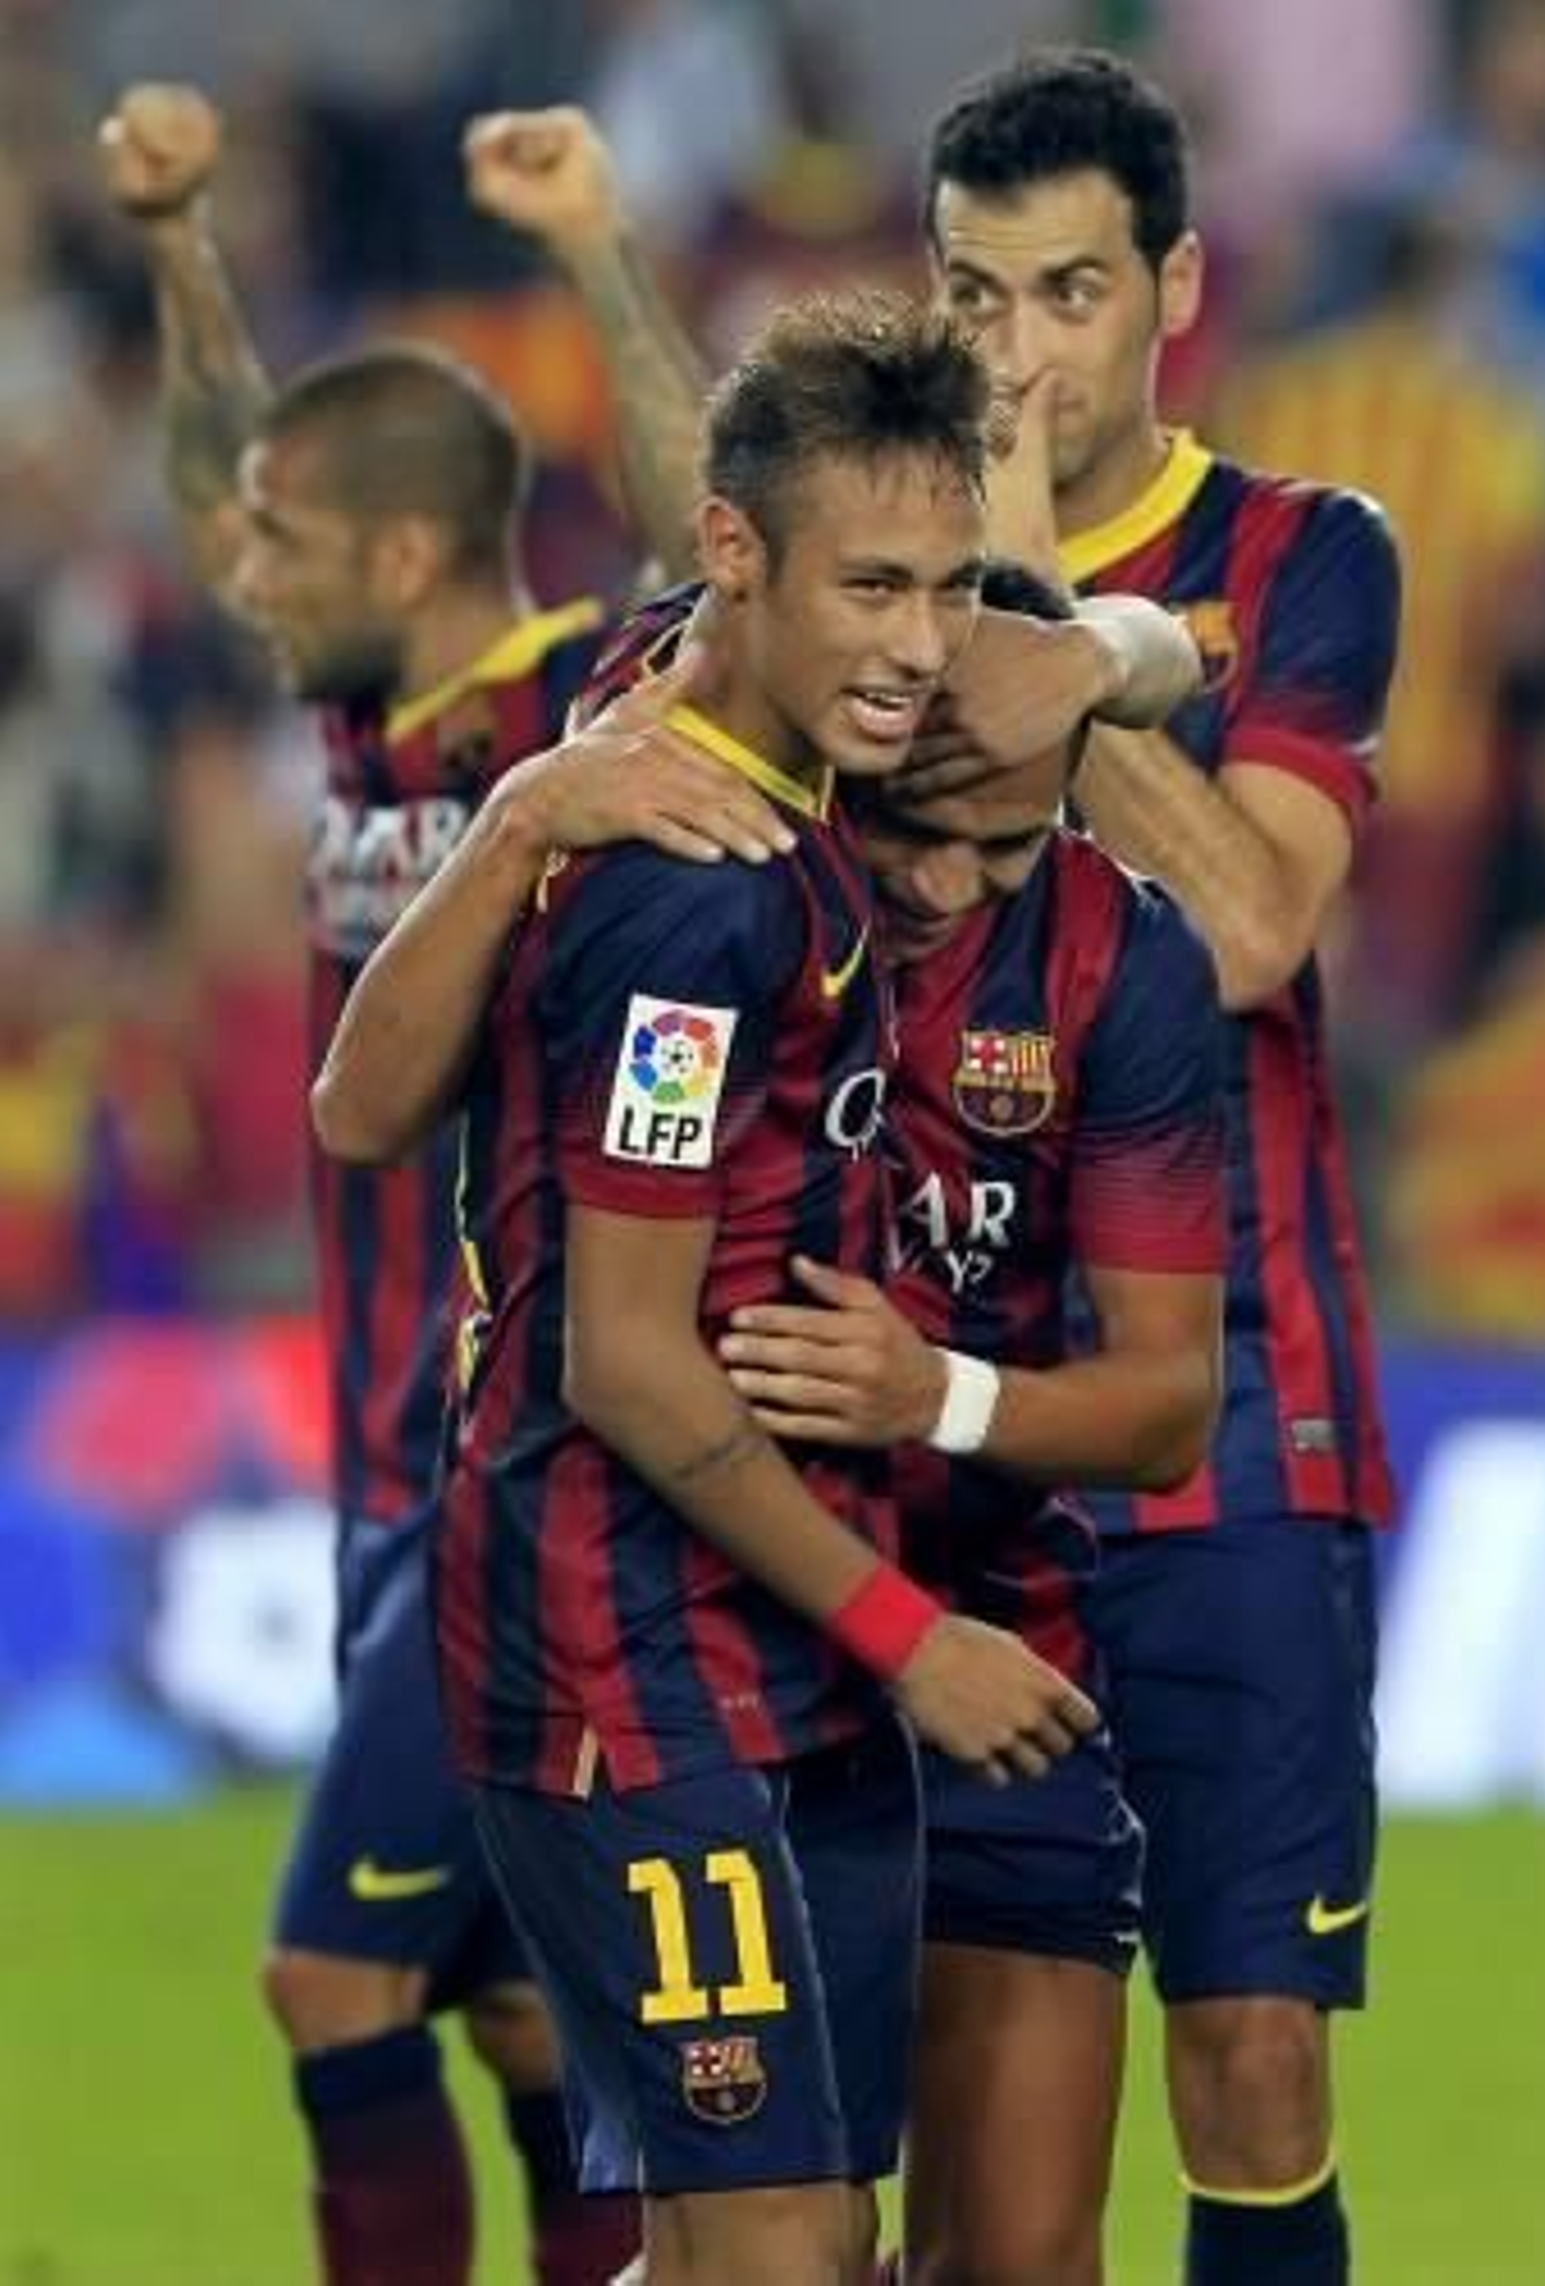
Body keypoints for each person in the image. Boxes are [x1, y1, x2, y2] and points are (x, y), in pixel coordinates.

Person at [318, 551, 1223, 2286]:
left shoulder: (1123, 960)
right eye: (917, 834)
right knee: (785, 2241)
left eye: (1011, 847)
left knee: (991, 2259)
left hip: (995, 1653)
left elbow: (1168, 1403)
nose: (953, 889)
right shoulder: (699, 828)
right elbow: (756, 508)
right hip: (708, 1631)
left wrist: (932, 1394)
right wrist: (521, 808)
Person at [97, 79, 799, 2286]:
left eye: (290, 550)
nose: (242, 566)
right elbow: (235, 471)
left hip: (520, 1456)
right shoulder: (358, 733)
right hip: (383, 1472)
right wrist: (185, 239)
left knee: (329, 1980)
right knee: (517, 2018)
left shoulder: (564, 722)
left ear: (399, 555)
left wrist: (598, 250)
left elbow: (721, 536)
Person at [908, 49, 1402, 2286]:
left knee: (1247, 2054)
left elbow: (1257, 929)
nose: (1015, 351)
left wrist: (1041, 629)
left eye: (1068, 291)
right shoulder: (865, 582)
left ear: (1174, 289)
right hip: (933, 1446)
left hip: (1230, 1425)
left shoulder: (1301, 559)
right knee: (982, 2105)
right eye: (971, 293)